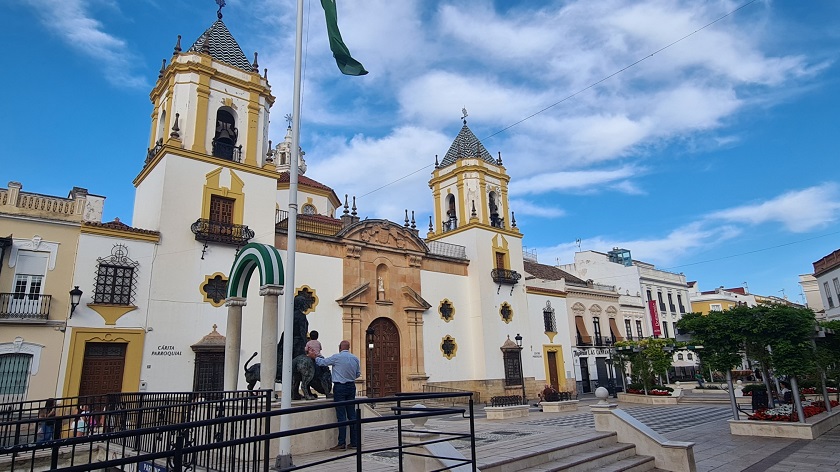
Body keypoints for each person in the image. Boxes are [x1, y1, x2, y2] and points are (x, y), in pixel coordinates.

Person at [309, 340, 361, 451]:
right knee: (352, 415)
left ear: (339, 347)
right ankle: (354, 442)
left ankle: (341, 443)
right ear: (349, 347)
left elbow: (323, 363)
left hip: (340, 388)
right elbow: (357, 374)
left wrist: (315, 356)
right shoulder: (355, 358)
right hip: (351, 387)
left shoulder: (337, 357)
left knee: (341, 415)